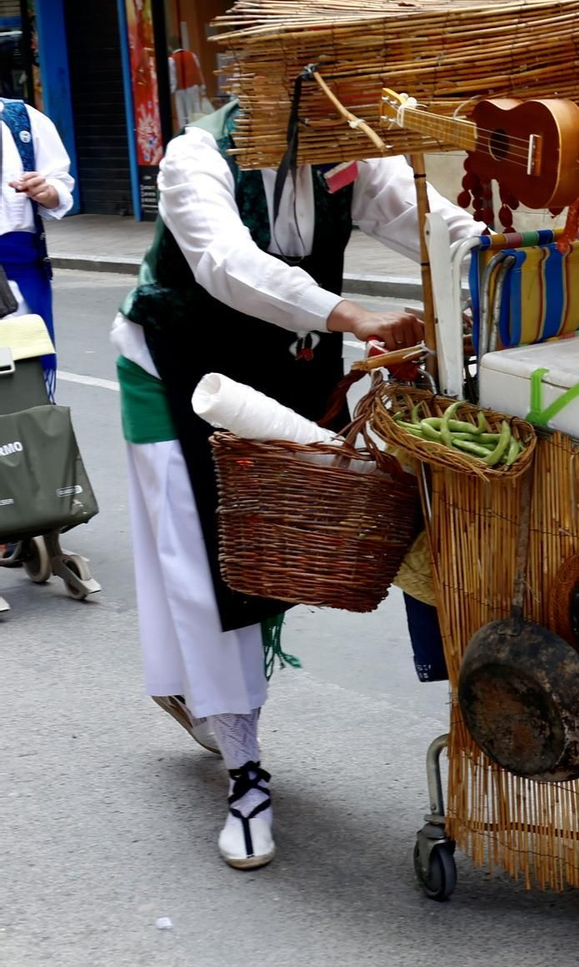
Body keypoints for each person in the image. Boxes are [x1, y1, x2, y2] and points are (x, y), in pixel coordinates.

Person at [116, 99, 483, 870]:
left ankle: (205, 695)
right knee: (206, 565)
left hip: (279, 368)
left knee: (281, 545)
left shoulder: (347, 151)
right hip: (176, 364)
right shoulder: (196, 154)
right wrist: (349, 313)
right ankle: (245, 773)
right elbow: (225, 263)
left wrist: (499, 251)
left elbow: (427, 219)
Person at [0, 97, 75, 398]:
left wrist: (47, 191)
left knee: (25, 377)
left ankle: (27, 441)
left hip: (20, 269)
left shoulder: (21, 119)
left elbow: (60, 183)